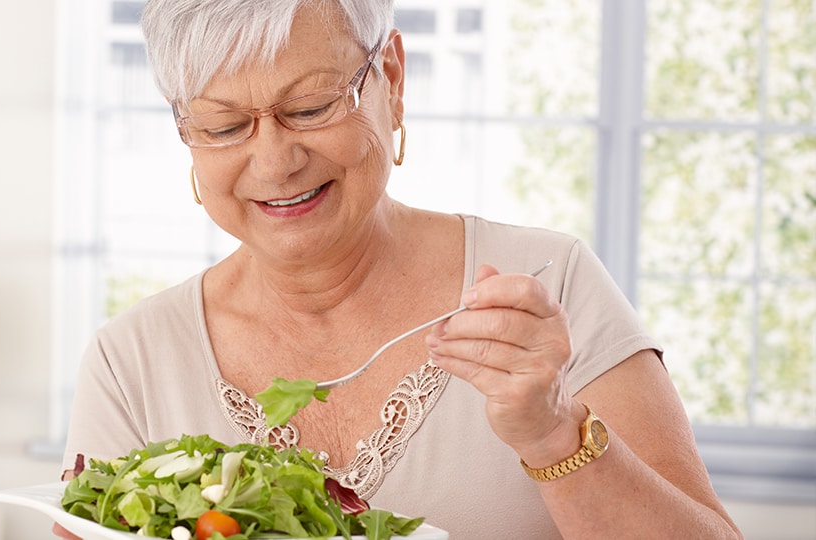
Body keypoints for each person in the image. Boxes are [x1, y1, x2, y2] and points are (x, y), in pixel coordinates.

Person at [58, 0, 742, 538]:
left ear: (389, 77)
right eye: (223, 125)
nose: (272, 163)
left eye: (309, 107)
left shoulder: (546, 284)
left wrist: (550, 430)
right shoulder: (131, 359)